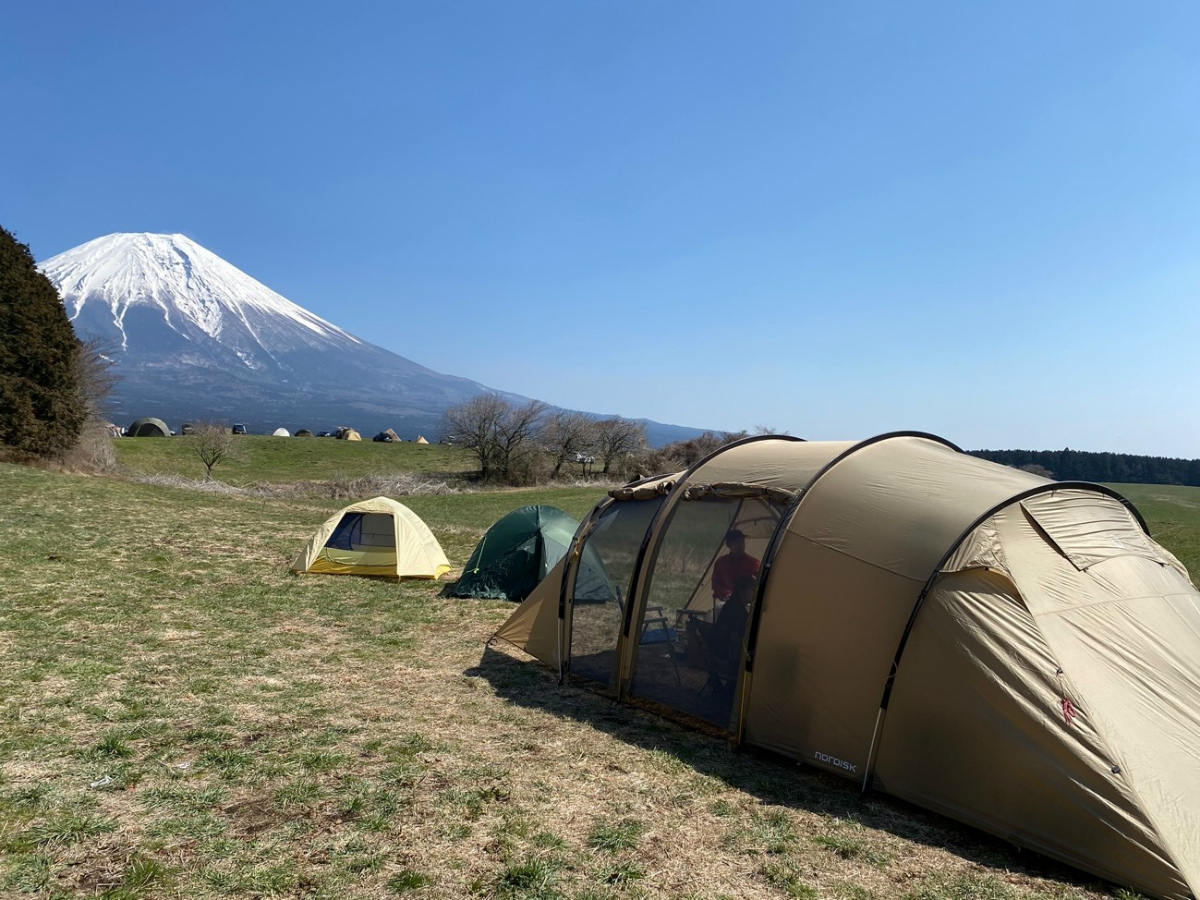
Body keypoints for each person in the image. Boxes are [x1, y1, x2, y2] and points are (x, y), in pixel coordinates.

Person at [711, 529, 760, 605]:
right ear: (728, 545)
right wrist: (726, 594)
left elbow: (756, 585)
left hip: (747, 604)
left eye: (742, 542)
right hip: (726, 602)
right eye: (737, 542)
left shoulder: (753, 563)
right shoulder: (720, 563)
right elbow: (716, 585)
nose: (741, 545)